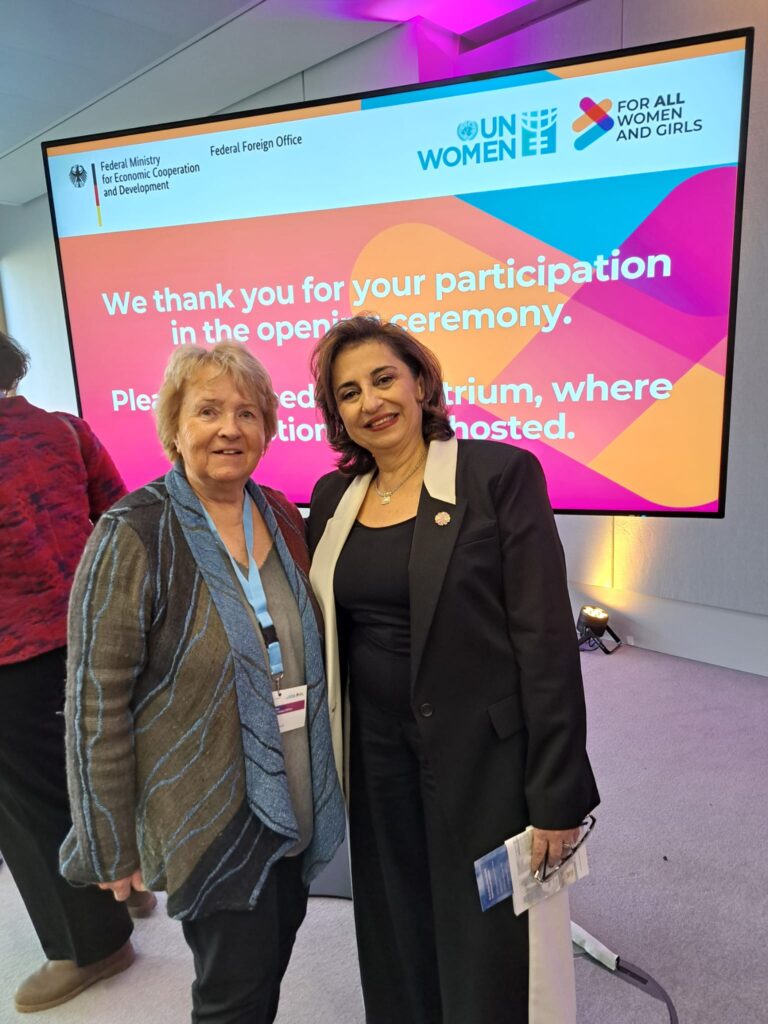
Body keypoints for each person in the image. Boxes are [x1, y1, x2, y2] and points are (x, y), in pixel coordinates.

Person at [307, 315, 600, 1024]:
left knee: (489, 926)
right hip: (374, 752)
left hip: (485, 752)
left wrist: (559, 793)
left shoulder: (498, 475)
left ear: (420, 381)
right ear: (336, 413)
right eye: (348, 392)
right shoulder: (330, 499)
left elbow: (546, 640)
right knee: (395, 916)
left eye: (383, 379)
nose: (371, 402)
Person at [61, 343, 345, 1024]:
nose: (230, 428)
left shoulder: (278, 512)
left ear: (267, 431)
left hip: (294, 784)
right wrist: (107, 835)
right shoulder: (134, 531)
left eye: (248, 413)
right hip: (205, 805)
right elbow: (95, 699)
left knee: (273, 950)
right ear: (174, 427)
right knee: (234, 993)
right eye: (209, 411)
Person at [0, 330, 142, 1014]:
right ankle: (128, 878)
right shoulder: (63, 429)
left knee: (33, 805)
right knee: (94, 766)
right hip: (91, 636)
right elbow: (120, 517)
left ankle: (90, 946)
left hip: (11, 658)